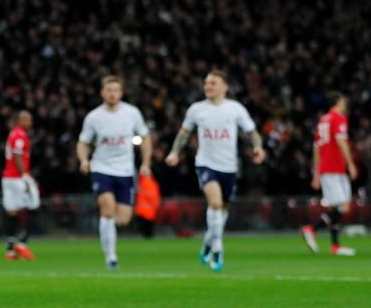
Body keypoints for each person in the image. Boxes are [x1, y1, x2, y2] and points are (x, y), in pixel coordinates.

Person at [165, 70, 266, 272]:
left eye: (213, 83)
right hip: (205, 164)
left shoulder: (235, 109)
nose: (208, 86)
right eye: (206, 83)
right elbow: (184, 133)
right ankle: (218, 249)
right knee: (215, 203)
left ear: (224, 87)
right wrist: (174, 152)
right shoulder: (196, 109)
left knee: (223, 209)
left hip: (229, 166)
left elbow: (251, 132)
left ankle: (208, 241)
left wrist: (258, 147)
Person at [76, 76, 153, 269]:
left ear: (121, 92)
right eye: (108, 90)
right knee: (108, 209)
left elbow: (145, 137)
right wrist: (84, 160)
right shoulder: (94, 117)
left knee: (123, 218)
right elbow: (83, 142)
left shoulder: (132, 113)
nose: (112, 94)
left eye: (115, 90)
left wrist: (146, 163)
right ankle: (111, 257)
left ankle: (108, 234)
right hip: (101, 168)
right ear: (102, 92)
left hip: (125, 170)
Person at [302, 92, 358, 256]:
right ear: (338, 103)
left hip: (329, 169)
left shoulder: (323, 120)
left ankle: (335, 246)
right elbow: (341, 141)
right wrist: (351, 164)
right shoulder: (338, 118)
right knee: (341, 205)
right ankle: (311, 228)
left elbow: (317, 148)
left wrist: (316, 173)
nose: (345, 104)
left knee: (341, 206)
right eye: (343, 101)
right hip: (335, 168)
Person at [1, 111, 39, 260]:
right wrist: (25, 176)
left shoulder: (13, 133)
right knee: (34, 207)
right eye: (25, 119)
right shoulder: (19, 135)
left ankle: (10, 250)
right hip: (17, 178)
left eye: (30, 119)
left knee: (12, 212)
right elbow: (17, 156)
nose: (29, 122)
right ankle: (22, 243)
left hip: (7, 178)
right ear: (18, 120)